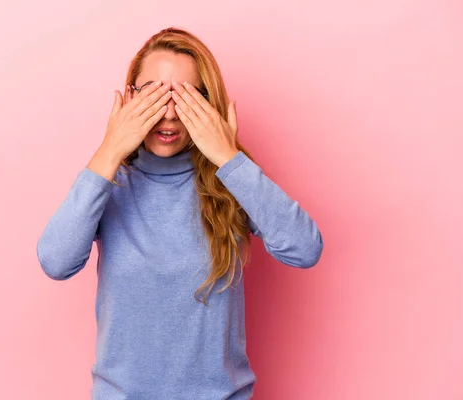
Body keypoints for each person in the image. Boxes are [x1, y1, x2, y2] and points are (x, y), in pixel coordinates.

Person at [36, 27, 324, 400]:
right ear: (129, 99)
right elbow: (56, 261)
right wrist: (109, 151)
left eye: (185, 97)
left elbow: (305, 249)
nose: (168, 114)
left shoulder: (232, 178)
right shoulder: (108, 181)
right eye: (153, 95)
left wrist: (228, 157)